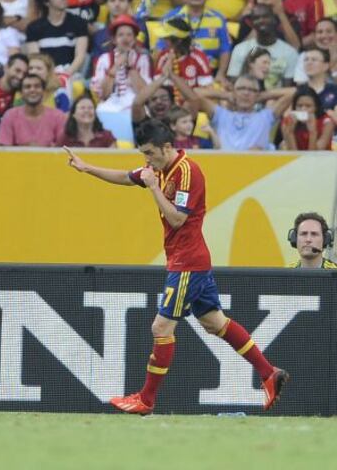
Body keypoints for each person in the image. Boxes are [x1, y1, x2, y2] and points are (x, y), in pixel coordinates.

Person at [65, 118, 289, 414]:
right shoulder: (157, 168)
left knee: (161, 327)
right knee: (215, 323)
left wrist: (154, 188)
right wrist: (87, 168)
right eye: (143, 154)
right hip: (189, 260)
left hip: (187, 263)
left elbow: (177, 218)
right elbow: (125, 177)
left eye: (149, 152)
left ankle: (146, 399)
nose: (146, 159)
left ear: (166, 147)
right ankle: (268, 373)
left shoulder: (188, 171)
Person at [159, 0, 231, 81]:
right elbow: (161, 48)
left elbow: (225, 49)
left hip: (211, 73)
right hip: (178, 73)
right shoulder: (170, 18)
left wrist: (220, 74)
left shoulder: (218, 19)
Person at [198, 73, 295, 150]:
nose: (246, 93)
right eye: (241, 89)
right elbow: (195, 94)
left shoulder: (266, 116)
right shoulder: (221, 115)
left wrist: (263, 96)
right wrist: (226, 95)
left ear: (257, 94)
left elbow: (295, 92)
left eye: (252, 90)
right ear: (234, 92)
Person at [26, 0, 89, 77]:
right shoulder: (34, 28)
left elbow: (80, 56)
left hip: (71, 76)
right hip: (44, 77)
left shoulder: (79, 23)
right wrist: (51, 78)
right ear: (46, 2)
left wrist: (65, 75)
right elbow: (35, 59)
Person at [228, 4, 299, 88]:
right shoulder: (240, 49)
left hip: (276, 98)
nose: (261, 20)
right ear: (252, 23)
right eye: (256, 18)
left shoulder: (289, 52)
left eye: (265, 17)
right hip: (247, 95)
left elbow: (288, 87)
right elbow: (234, 82)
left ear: (274, 20)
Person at [0, 71, 66, 146]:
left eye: (37, 86)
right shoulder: (10, 116)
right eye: (27, 87)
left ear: (43, 91)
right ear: (21, 93)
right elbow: (4, 150)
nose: (32, 90)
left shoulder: (58, 117)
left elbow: (64, 150)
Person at [281, 86, 334, 151]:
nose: (303, 109)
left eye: (308, 106)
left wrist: (312, 132)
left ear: (316, 108)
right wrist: (290, 133)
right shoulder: (287, 122)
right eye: (299, 106)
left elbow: (315, 156)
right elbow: (293, 154)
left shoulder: (327, 123)